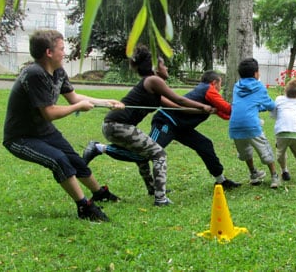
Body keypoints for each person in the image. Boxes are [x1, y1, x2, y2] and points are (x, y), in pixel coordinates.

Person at [2, 29, 124, 222]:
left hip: (44, 131)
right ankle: (85, 207)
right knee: (58, 160)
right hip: (20, 137)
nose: (64, 52)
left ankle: (99, 193)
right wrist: (78, 107)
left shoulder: (58, 71)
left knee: (74, 159)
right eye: (61, 48)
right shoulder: (34, 74)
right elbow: (49, 112)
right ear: (49, 53)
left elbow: (74, 97)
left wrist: (106, 102)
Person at [84, 45, 214, 206]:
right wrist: (202, 106)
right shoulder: (154, 80)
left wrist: (206, 111)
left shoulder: (152, 87)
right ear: (155, 67)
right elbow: (179, 99)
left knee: (144, 155)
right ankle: (160, 199)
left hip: (114, 126)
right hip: (118, 124)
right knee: (159, 154)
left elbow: (178, 107)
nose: (166, 67)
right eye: (163, 64)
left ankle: (153, 189)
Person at [85, 70, 241, 191]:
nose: (220, 89)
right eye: (221, 85)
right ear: (214, 82)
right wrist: (244, 110)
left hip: (182, 127)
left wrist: (240, 116)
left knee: (205, 144)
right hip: (166, 121)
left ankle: (221, 180)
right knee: (148, 154)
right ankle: (100, 148)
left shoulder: (207, 93)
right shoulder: (209, 89)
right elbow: (226, 108)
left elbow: (223, 113)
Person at [229, 58, 280, 188]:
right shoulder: (258, 86)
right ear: (256, 73)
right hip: (251, 125)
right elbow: (270, 105)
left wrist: (258, 107)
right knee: (265, 150)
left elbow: (247, 104)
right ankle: (274, 176)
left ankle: (253, 174)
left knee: (245, 151)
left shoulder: (236, 86)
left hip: (235, 126)